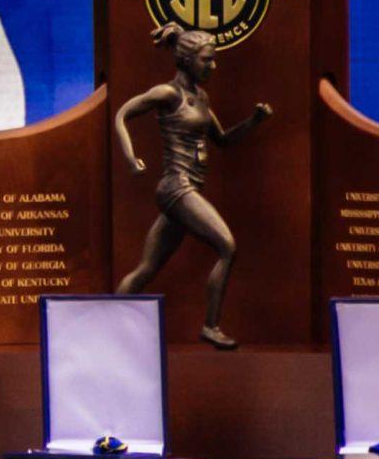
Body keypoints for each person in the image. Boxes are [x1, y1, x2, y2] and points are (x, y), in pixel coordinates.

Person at [110, 23, 271, 349]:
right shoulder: (169, 94)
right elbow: (122, 114)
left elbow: (222, 140)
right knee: (227, 246)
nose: (213, 66)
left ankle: (108, 322)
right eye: (207, 60)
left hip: (186, 190)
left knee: (146, 268)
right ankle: (211, 326)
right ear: (186, 60)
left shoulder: (201, 97)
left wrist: (253, 122)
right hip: (176, 188)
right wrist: (130, 157)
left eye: (213, 60)